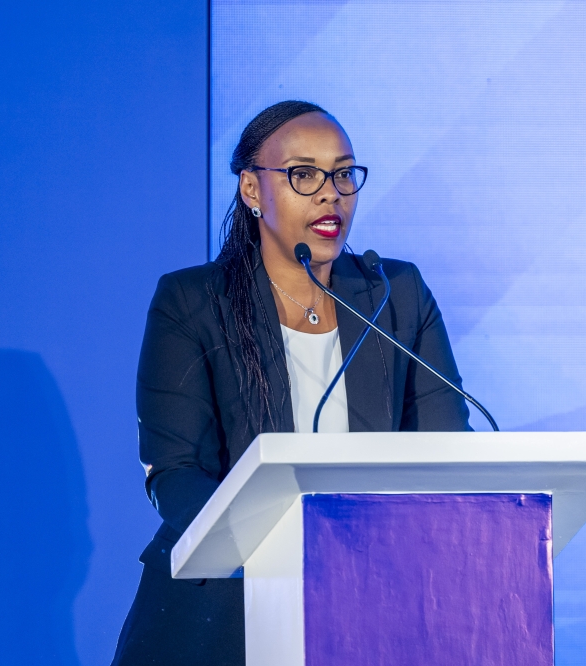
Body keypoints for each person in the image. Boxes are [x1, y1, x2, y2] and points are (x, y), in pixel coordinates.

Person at [111, 100, 470, 665]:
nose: (331, 193)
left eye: (344, 173)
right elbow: (176, 472)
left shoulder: (396, 293)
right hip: (222, 612)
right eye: (304, 175)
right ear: (252, 190)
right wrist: (295, 549)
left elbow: (445, 446)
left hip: (372, 605)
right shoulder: (192, 301)